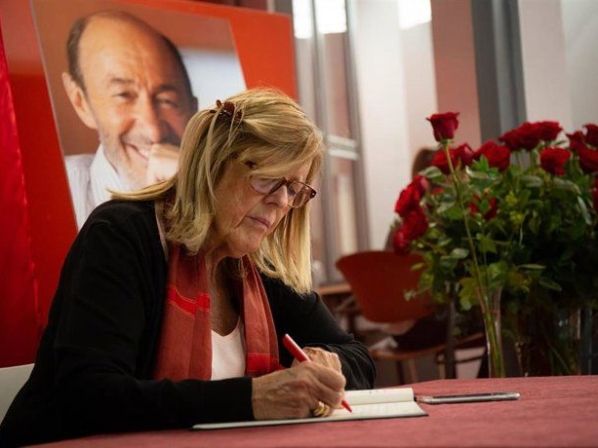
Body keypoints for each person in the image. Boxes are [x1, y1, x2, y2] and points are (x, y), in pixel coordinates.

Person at [0, 89, 375, 446]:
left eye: (294, 189)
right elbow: (90, 395)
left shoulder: (260, 265)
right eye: (267, 178)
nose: (281, 202)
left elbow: (358, 357)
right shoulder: (121, 235)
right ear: (214, 163)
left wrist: (330, 364)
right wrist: (249, 399)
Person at [61, 11, 198, 228]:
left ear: (194, 111)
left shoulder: (232, 196)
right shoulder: (46, 194)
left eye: (167, 101)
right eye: (123, 95)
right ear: (81, 103)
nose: (153, 131)